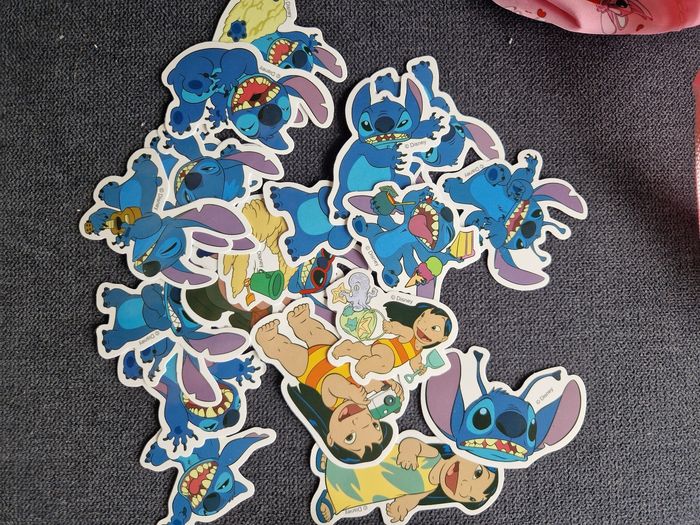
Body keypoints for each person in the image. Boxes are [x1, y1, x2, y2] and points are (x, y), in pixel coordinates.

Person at [255, 303, 403, 464]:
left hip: (307, 367)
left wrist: (349, 391)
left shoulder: (332, 403)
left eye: (350, 437)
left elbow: (331, 382)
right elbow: (372, 379)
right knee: (317, 332)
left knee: (286, 352)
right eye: (374, 425)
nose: (359, 422)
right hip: (330, 351)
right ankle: (300, 322)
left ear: (330, 438)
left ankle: (269, 341)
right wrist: (388, 384)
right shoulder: (363, 395)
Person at [313, 435, 500, 523]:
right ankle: (331, 461)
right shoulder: (433, 455)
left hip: (374, 489)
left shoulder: (428, 490)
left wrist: (401, 508)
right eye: (477, 473)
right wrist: (409, 452)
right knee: (361, 458)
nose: (465, 487)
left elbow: (411, 500)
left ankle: (332, 500)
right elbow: (411, 443)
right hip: (378, 462)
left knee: (356, 493)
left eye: (471, 498)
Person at [333, 302, 452, 378]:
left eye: (434, 328)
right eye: (423, 318)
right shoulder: (410, 334)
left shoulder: (418, 352)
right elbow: (400, 329)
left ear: (443, 338)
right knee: (385, 365)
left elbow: (415, 363)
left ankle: (347, 347)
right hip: (386, 349)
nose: (424, 327)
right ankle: (365, 365)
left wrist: (419, 369)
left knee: (365, 351)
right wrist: (390, 327)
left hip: (384, 352)